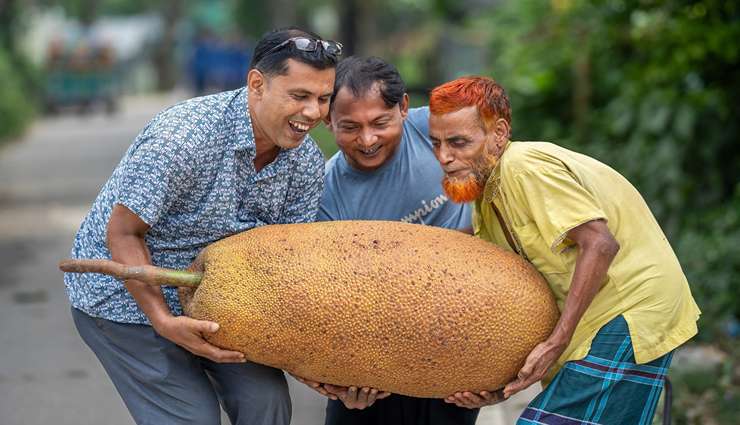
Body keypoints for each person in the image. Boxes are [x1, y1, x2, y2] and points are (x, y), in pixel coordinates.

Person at [63, 27, 341, 425]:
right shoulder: (182, 139)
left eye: (322, 99)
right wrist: (163, 321)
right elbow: (123, 233)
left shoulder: (307, 163)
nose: (313, 113)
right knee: (193, 418)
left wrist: (310, 362)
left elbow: (285, 269)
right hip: (124, 300)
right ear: (257, 85)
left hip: (222, 300)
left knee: (267, 404)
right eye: (299, 96)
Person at [426, 76, 701, 424]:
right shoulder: (488, 195)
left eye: (458, 142)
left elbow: (600, 244)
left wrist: (556, 342)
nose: (444, 157)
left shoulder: (525, 168)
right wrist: (502, 385)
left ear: (498, 134)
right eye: (435, 143)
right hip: (593, 323)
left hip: (630, 308)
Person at [293, 56, 478, 425]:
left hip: (456, 334)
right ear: (328, 122)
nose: (367, 139)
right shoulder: (324, 194)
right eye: (350, 127)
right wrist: (341, 381)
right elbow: (334, 298)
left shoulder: (438, 131)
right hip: (376, 347)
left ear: (404, 108)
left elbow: (500, 172)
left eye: (380, 123)